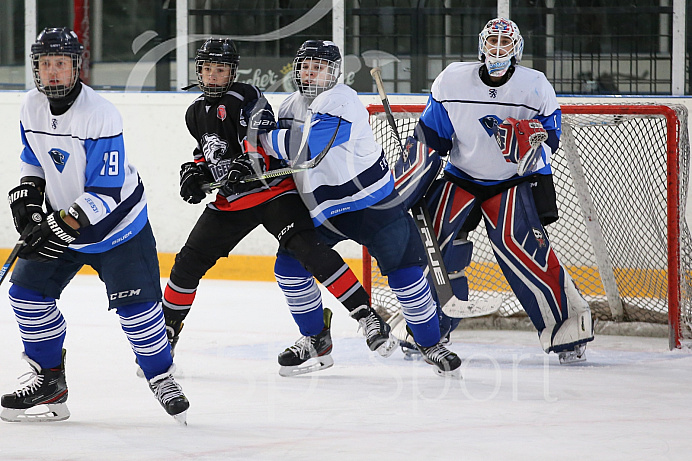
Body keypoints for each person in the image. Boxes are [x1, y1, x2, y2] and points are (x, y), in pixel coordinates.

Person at [161, 38, 397, 377]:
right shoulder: (194, 112)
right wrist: (197, 174)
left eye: (221, 69)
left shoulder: (247, 96)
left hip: (274, 192)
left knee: (309, 251)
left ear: (232, 72)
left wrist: (248, 163)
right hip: (233, 200)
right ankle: (166, 336)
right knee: (186, 264)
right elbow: (208, 154)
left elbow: (263, 138)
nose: (214, 76)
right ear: (198, 72)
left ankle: (366, 317)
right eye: (208, 70)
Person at [1, 27, 189, 424]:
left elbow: (104, 191)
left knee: (138, 313)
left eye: (61, 64)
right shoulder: (30, 106)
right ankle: (50, 382)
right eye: (45, 64)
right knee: (26, 296)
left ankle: (162, 376)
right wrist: (30, 201)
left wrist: (59, 225)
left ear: (76, 66)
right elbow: (33, 158)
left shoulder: (100, 113)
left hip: (118, 227)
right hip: (65, 221)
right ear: (36, 68)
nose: (53, 72)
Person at [260, 40, 461, 378]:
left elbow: (307, 147)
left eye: (319, 67)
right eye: (306, 66)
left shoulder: (341, 99)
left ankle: (431, 344)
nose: (311, 73)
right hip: (322, 209)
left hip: (372, 203)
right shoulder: (290, 106)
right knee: (289, 268)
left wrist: (262, 137)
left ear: (334, 73)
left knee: (405, 275)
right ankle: (315, 339)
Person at [410, 18, 594, 363]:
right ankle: (430, 329)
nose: (497, 49)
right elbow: (431, 135)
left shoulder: (534, 85)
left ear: (517, 50)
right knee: (434, 249)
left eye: (504, 44)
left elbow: (550, 137)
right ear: (482, 46)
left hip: (511, 180)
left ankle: (569, 333)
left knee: (525, 252)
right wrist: (415, 171)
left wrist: (532, 138)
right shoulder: (452, 79)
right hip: (460, 174)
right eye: (491, 42)